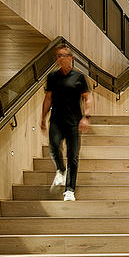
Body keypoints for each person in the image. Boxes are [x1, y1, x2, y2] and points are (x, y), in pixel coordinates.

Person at [40, 43, 92, 202]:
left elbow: (88, 98)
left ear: (71, 58)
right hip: (56, 120)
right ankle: (60, 170)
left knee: (73, 156)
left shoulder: (79, 77)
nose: (61, 59)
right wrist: (42, 117)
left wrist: (86, 117)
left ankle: (70, 190)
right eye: (58, 56)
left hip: (74, 123)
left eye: (64, 56)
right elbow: (48, 98)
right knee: (54, 147)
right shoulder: (52, 77)